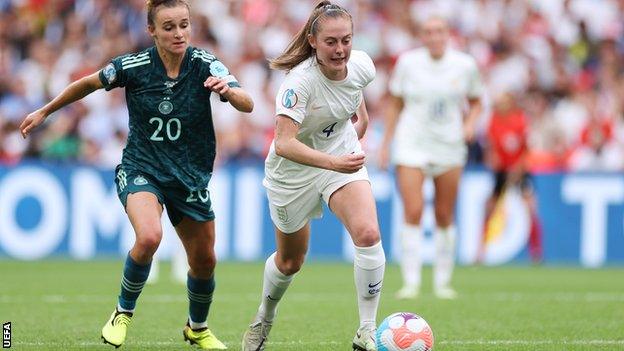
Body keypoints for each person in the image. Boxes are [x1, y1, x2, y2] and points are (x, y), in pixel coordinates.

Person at [19, 0, 253, 349]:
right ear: (152, 30)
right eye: (169, 26)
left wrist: (229, 91)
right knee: (149, 237)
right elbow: (88, 83)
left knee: (204, 261)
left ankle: (197, 328)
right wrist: (46, 111)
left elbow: (247, 102)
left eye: (184, 25)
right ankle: (121, 313)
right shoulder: (135, 66)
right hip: (142, 168)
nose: (179, 33)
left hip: (189, 176)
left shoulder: (205, 63)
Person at [241, 2, 384, 351]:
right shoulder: (298, 84)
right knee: (291, 261)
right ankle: (264, 316)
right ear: (313, 41)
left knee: (367, 233)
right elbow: (284, 143)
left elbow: (353, 87)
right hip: (293, 172)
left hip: (340, 154)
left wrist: (359, 116)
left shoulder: (363, 64)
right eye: (331, 42)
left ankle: (367, 331)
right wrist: (331, 164)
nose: (340, 50)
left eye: (346, 41)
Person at [379, 16, 483, 300]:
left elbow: (476, 102)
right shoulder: (408, 63)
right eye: (428, 32)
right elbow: (395, 105)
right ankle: (410, 282)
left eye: (438, 31)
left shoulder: (464, 65)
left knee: (444, 214)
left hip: (449, 145)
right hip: (412, 143)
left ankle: (442, 281)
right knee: (412, 210)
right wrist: (385, 144)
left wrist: (470, 124)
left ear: (447, 34)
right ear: (422, 36)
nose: (434, 37)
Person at [482, 92, 543, 263]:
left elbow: (526, 150)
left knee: (530, 208)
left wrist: (517, 169)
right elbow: (492, 149)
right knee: (490, 208)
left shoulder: (520, 120)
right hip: (502, 171)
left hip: (520, 171)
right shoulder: (493, 121)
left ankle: (536, 252)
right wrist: (498, 165)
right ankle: (480, 251)